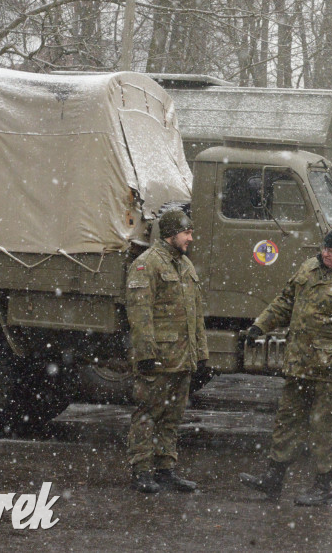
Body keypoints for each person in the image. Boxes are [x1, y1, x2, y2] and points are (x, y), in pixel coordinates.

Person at [239, 227, 332, 506]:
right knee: (287, 422)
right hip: (299, 366)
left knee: (324, 429)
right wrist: (261, 324)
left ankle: (323, 487)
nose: (325, 254)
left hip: (330, 372)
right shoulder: (310, 268)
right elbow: (285, 301)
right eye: (324, 248)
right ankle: (273, 478)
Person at [125, 208, 209, 494]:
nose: (191, 238)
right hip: (158, 357)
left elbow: (196, 315)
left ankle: (165, 469)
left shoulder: (185, 265)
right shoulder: (146, 264)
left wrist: (201, 354)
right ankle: (141, 470)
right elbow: (140, 314)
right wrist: (146, 354)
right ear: (172, 234)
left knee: (172, 416)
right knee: (148, 413)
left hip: (182, 359)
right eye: (187, 233)